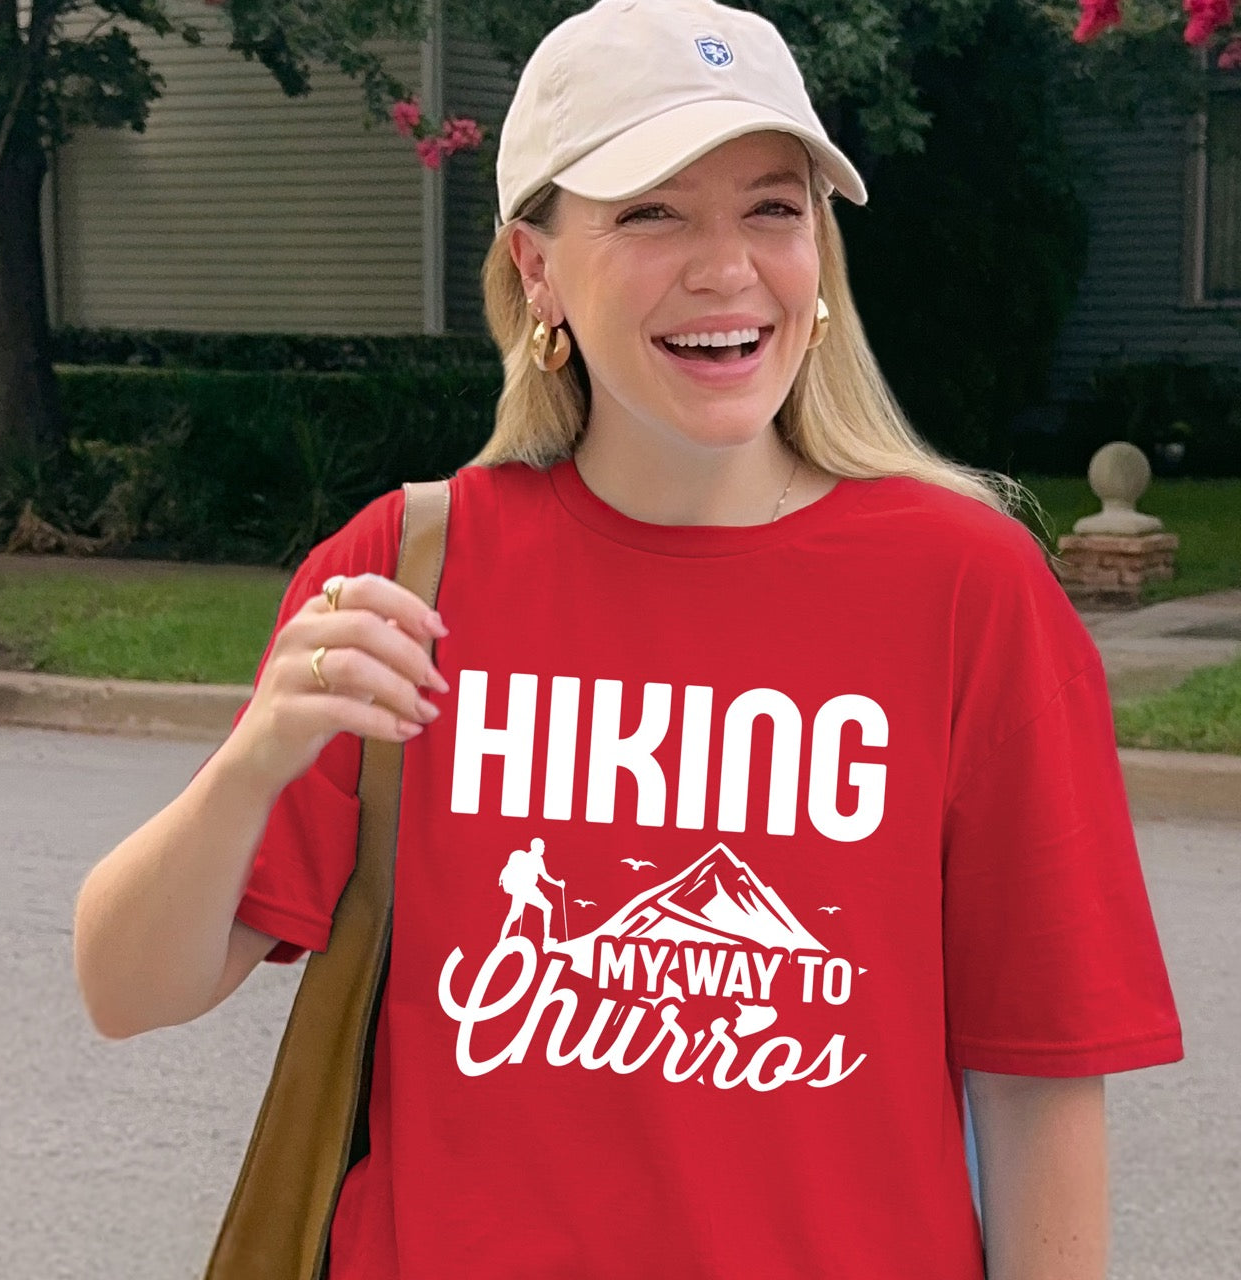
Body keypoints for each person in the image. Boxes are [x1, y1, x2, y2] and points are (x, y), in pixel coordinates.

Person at [72, 0, 1183, 1276]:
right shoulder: (408, 569)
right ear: (536, 264)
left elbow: (1037, 1074)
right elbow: (126, 989)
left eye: (772, 208)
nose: (726, 269)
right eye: (651, 211)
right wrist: (253, 762)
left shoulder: (965, 588)